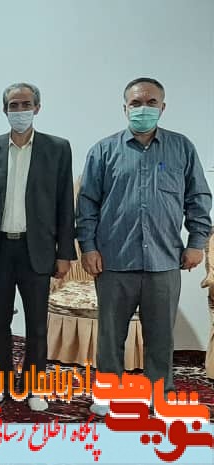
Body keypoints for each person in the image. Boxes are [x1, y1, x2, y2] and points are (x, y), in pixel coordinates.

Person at [78, 77, 212, 416]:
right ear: (125, 108)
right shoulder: (103, 151)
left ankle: (160, 393)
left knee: (161, 335)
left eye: (151, 102)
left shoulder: (181, 148)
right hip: (114, 261)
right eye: (136, 103)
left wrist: (197, 242)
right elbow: (87, 204)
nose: (143, 109)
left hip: (164, 261)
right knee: (111, 334)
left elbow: (198, 198)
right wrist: (88, 247)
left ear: (162, 107)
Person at [0, 83, 76, 411]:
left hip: (37, 251)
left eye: (26, 104)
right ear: (5, 110)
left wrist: (65, 253)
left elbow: (65, 205)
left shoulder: (57, 148)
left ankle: (35, 386)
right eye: (13, 105)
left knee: (37, 325)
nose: (19, 111)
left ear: (37, 108)